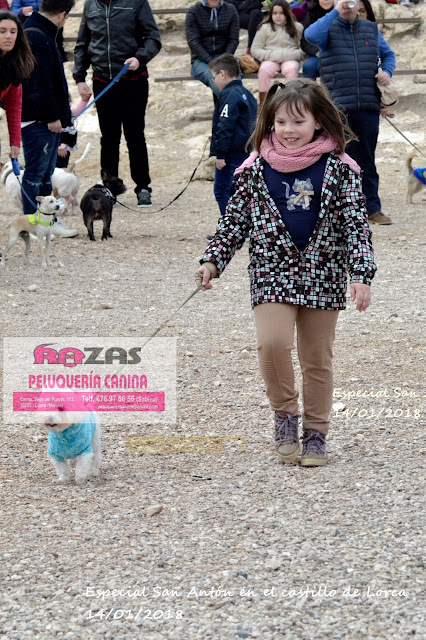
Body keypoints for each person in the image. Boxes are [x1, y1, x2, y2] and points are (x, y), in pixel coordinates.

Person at [195, 80, 376, 467]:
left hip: (324, 273)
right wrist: (212, 261)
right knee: (272, 344)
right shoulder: (253, 169)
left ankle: (316, 433)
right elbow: (234, 223)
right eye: (280, 122)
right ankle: (285, 417)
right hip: (271, 271)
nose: (288, 130)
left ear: (318, 122)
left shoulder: (341, 169)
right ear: (270, 123)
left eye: (298, 121)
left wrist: (361, 274)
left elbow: (356, 226)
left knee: (316, 357)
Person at [305, 0, 395, 225]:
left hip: (368, 104)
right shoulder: (328, 27)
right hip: (337, 106)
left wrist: (387, 72)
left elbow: (388, 55)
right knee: (336, 158)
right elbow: (310, 36)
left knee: (367, 159)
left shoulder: (370, 29)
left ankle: (372, 208)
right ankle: (337, 210)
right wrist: (336, 10)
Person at [74, 0, 161, 208]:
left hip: (133, 79)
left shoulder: (137, 2)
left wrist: (140, 58)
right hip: (102, 80)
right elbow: (83, 43)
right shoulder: (90, 5)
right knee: (109, 137)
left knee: (135, 134)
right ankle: (109, 186)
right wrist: (79, 77)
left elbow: (153, 38)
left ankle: (143, 187)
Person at [20, 0, 78, 237]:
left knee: (45, 174)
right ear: (63, 14)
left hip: (45, 118)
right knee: (35, 174)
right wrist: (52, 116)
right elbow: (39, 82)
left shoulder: (41, 32)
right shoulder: (37, 35)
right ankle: (33, 224)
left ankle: (47, 222)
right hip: (38, 119)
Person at [207, 54, 257, 238]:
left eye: (213, 77)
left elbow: (226, 125)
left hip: (230, 154)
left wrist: (220, 154)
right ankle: (242, 230)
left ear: (222, 74)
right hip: (244, 151)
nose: (214, 81)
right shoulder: (246, 94)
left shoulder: (228, 95)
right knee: (238, 193)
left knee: (222, 191)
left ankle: (230, 231)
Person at [251, 0, 304, 106]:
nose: (278, 16)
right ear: (271, 14)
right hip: (271, 58)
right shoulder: (264, 28)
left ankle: (291, 101)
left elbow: (304, 50)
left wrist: (290, 55)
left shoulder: (297, 27)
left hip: (290, 57)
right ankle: (264, 103)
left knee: (292, 69)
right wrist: (271, 55)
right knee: (264, 70)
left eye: (281, 13)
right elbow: (255, 49)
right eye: (275, 13)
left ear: (287, 14)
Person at [185, 0, 239, 99]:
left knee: (234, 80)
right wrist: (211, 61)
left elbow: (233, 39)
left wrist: (225, 59)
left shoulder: (230, 10)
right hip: (201, 60)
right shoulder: (194, 11)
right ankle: (232, 105)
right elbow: (193, 42)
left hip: (225, 57)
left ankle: (232, 106)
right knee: (215, 78)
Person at [0, 9, 33, 160]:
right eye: (2, 31)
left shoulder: (14, 65)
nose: (8, 36)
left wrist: (15, 142)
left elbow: (14, 104)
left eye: (13, 32)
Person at [301, 0, 334, 80]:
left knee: (327, 67)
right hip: (317, 54)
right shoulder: (311, 13)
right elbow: (304, 42)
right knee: (308, 66)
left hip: (337, 54)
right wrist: (317, 52)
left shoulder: (341, 13)